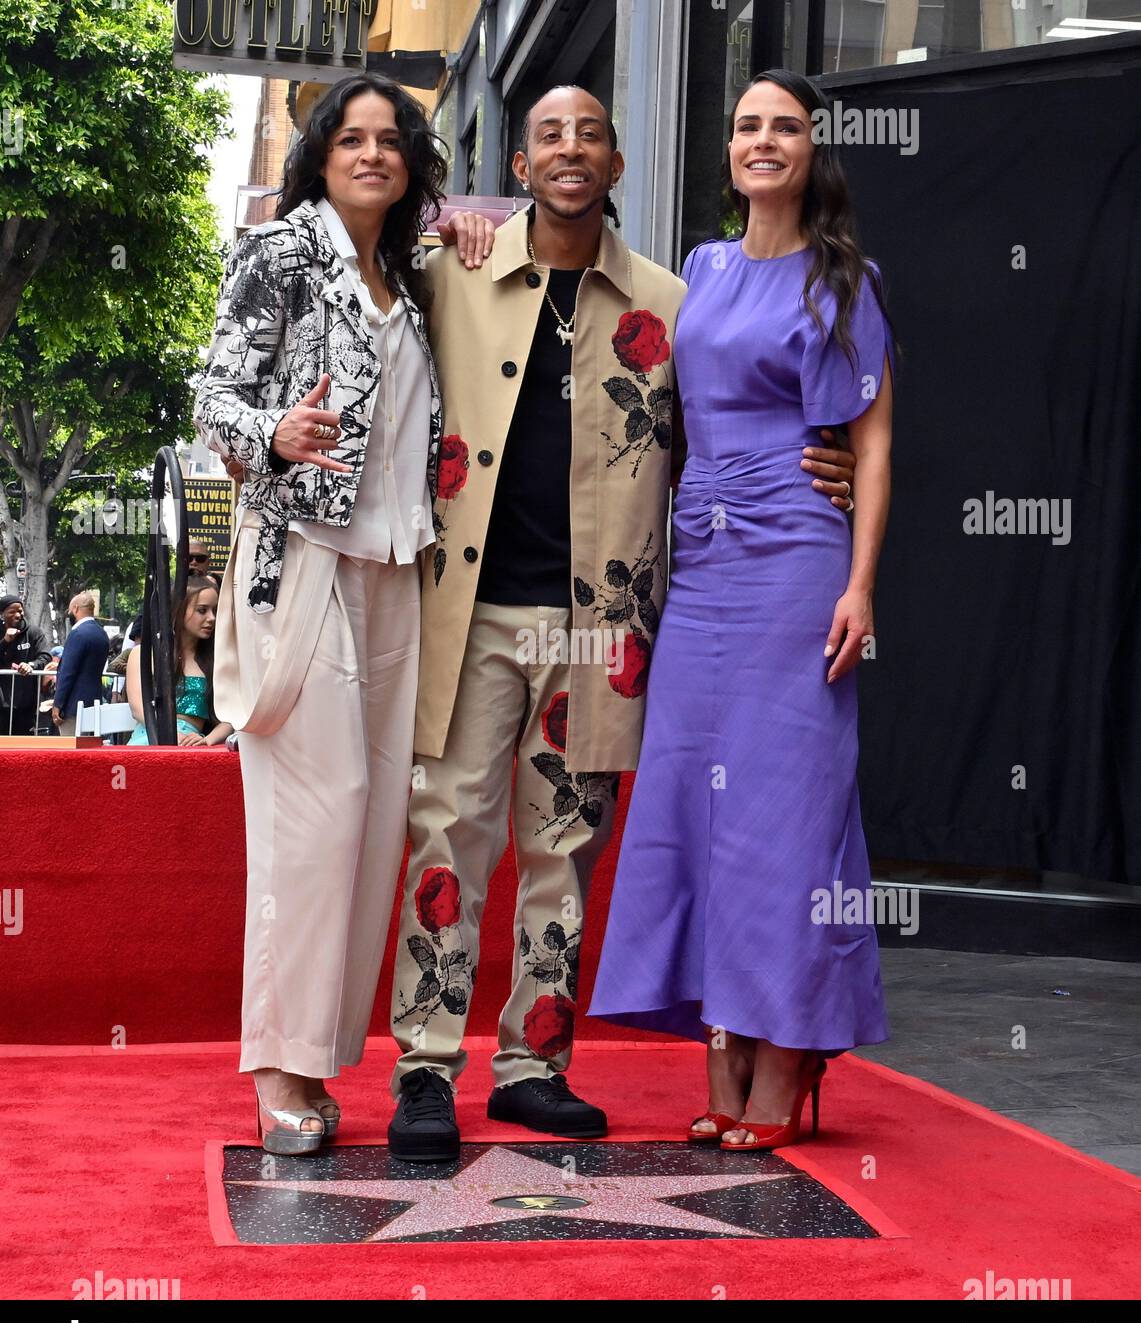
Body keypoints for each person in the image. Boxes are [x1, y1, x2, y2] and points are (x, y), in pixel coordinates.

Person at [385, 84, 861, 1163]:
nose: (570, 150)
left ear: (616, 164)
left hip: (601, 627)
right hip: (473, 612)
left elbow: (739, 409)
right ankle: (425, 1066)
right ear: (519, 164)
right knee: (447, 838)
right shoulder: (453, 273)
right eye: (549, 136)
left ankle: (533, 1066)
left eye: (590, 135)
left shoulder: (672, 301)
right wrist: (449, 217)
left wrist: (822, 459)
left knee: (563, 852)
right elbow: (373, 262)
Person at [589, 70, 894, 1151]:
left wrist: (859, 585)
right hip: (702, 562)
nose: (764, 140)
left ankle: (788, 1054)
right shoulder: (704, 270)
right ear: (728, 150)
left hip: (797, 556)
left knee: (789, 811)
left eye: (786, 127)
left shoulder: (844, 277)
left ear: (813, 150)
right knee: (692, 800)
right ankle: (724, 1044)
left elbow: (871, 446)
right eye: (747, 126)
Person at [195, 73, 493, 1155]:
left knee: (368, 830)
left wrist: (465, 225)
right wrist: (272, 434)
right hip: (304, 564)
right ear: (319, 156)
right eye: (350, 139)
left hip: (396, 574)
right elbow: (211, 397)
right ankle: (277, 1071)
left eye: (390, 141)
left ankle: (316, 1062)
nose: (371, 154)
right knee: (312, 825)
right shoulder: (280, 253)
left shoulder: (405, 277)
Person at [124, 576, 233, 747]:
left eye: (215, 611)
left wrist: (207, 740)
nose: (212, 618)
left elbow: (230, 718)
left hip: (192, 745)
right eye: (202, 610)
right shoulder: (142, 654)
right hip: (150, 738)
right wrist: (171, 733)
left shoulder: (217, 660)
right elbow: (138, 708)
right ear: (179, 609)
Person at [51, 591, 110, 736]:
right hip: (94, 701)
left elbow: (67, 672)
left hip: (73, 705)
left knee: (70, 746)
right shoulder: (102, 634)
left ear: (76, 608)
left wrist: (58, 704)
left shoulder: (77, 633)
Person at [0, 594, 51, 736]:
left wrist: (31, 665)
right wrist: (5, 641)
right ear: (2, 614)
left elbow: (45, 656)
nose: (18, 615)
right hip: (2, 702)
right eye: (12, 612)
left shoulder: (33, 632)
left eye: (20, 611)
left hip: (26, 702)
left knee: (23, 741)